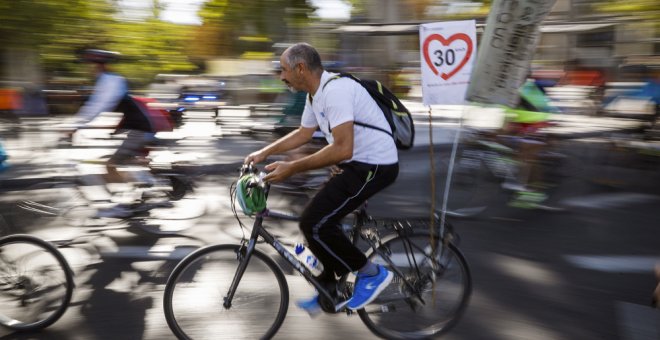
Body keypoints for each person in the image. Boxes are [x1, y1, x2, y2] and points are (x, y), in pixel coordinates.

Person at [244, 43, 399, 313]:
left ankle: (371, 273)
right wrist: (263, 152)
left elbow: (342, 148)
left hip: (375, 165)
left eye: (284, 69)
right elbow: (304, 134)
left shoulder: (335, 91)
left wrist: (292, 168)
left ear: (301, 68)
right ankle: (328, 288)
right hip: (356, 164)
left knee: (314, 223)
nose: (281, 76)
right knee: (319, 223)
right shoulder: (315, 95)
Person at [66, 49, 160, 218]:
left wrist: (75, 125)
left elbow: (99, 105)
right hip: (137, 129)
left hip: (140, 130)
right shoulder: (108, 80)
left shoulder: (111, 81)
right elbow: (100, 107)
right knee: (111, 165)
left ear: (99, 65)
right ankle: (137, 189)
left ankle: (123, 204)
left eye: (91, 65)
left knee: (109, 166)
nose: (89, 69)